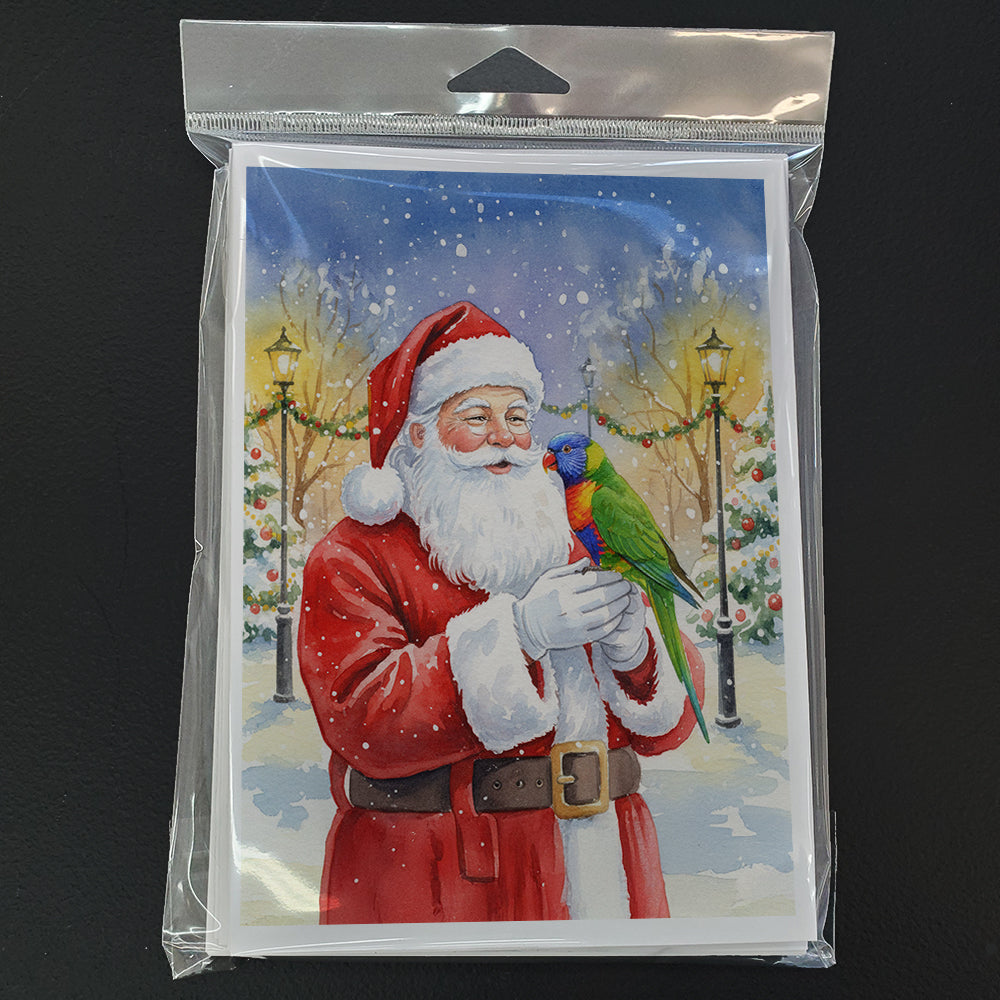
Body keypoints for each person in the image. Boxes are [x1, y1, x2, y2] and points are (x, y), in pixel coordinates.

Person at [298, 301, 704, 924]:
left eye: (517, 417)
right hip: (439, 873)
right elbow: (364, 716)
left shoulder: (573, 532)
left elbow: (669, 727)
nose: (504, 437)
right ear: (418, 433)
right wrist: (519, 636)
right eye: (476, 416)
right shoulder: (356, 553)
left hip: (607, 868)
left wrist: (637, 653)